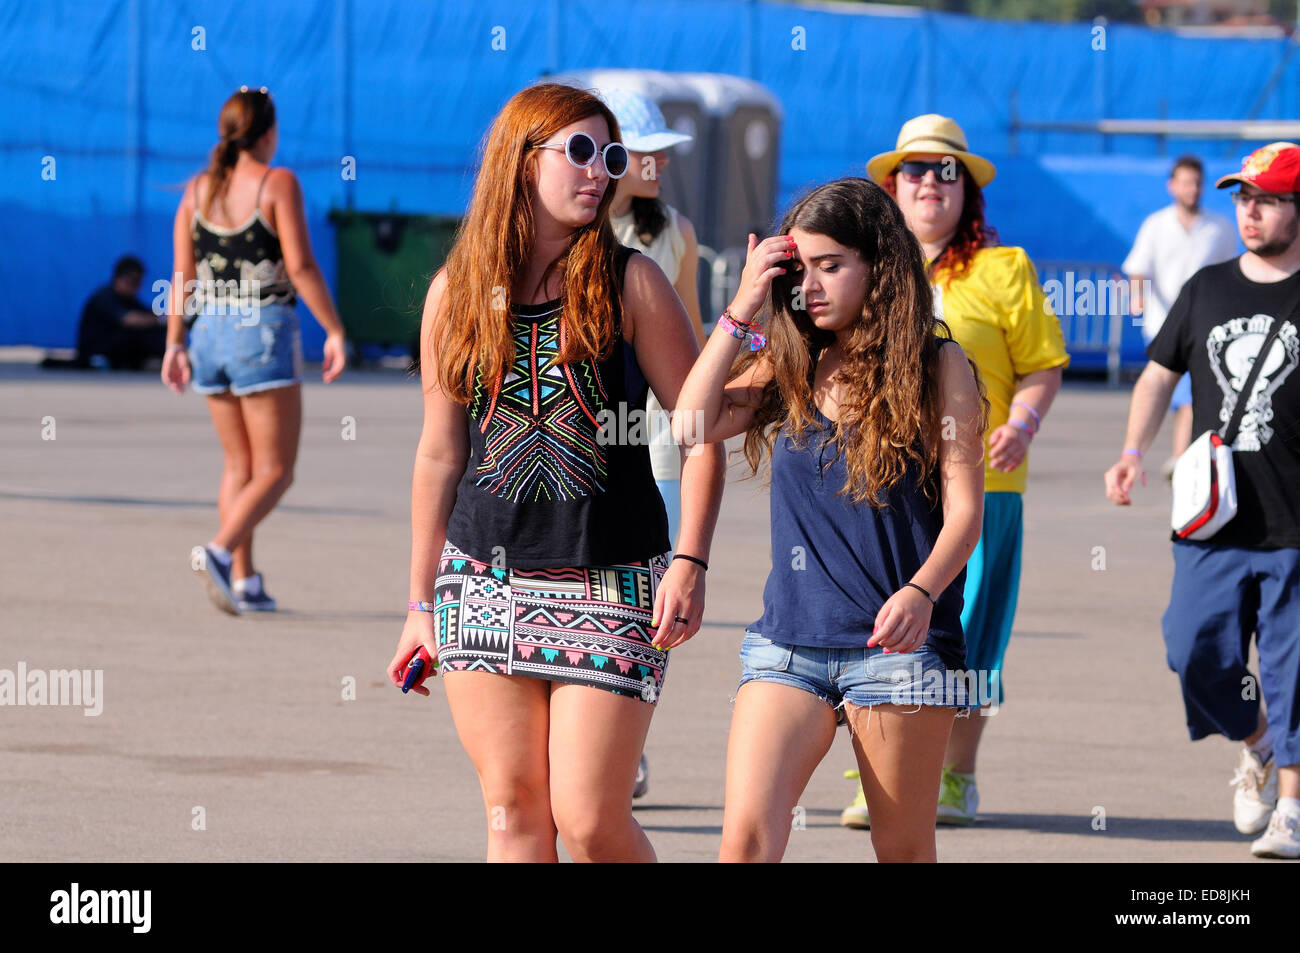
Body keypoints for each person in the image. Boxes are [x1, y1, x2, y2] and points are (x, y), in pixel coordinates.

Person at [386, 83, 725, 862]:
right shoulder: (455, 293)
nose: (600, 173)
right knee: (513, 813)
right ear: (519, 159)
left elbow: (698, 430)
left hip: (610, 582)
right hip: (483, 580)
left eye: (609, 157)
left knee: (589, 818)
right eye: (579, 151)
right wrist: (418, 601)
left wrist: (692, 560)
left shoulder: (632, 280)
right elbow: (440, 451)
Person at [673, 177, 987, 862]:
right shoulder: (792, 363)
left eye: (831, 265)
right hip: (786, 647)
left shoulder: (939, 365)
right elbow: (690, 423)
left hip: (900, 654)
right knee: (745, 842)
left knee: (901, 849)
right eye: (799, 269)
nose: (809, 286)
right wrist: (745, 301)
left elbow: (966, 514)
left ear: (878, 264)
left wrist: (921, 590)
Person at [832, 115, 1068, 828]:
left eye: (947, 171)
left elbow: (1042, 367)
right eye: (916, 170)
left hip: (984, 488)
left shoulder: (1004, 269)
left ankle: (956, 776)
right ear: (891, 187)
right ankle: (880, 776)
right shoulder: (863, 272)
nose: (931, 182)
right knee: (881, 629)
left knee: (967, 635)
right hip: (887, 490)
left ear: (967, 190)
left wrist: (1022, 425)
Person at [1104, 141, 1300, 860]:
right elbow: (1158, 376)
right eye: (1243, 197)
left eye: (1269, 198)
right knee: (1192, 650)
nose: (1250, 210)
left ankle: (1292, 811)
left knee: (1291, 666)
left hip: (1295, 522)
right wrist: (1131, 453)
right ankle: (1259, 742)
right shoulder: (1207, 287)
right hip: (1213, 517)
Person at [160, 86, 348, 614]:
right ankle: (220, 553)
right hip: (260, 330)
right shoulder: (276, 183)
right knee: (275, 470)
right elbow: (302, 266)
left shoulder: (197, 189)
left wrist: (174, 343)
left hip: (208, 335)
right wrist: (333, 329)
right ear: (268, 133)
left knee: (238, 465)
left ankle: (243, 580)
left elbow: (182, 276)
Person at [599, 86, 707, 800]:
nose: (659, 166)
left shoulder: (675, 232)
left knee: (645, 603)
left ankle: (623, 742)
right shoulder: (559, 230)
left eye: (666, 154)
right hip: (584, 443)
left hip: (659, 443)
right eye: (648, 153)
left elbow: (694, 340)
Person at [1123, 155, 1239, 475]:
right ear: (1172, 186)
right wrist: (1137, 298)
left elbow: (1231, 274)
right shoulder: (1156, 225)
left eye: (1197, 183)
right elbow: (1138, 268)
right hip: (1161, 324)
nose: (1192, 189)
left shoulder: (1220, 228)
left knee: (1191, 394)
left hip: (1205, 326)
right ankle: (1136, 455)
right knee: (1166, 390)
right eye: (1186, 182)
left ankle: (1180, 458)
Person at [75, 256, 166, 370]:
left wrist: (168, 319)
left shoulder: (130, 300)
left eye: (138, 282)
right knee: (135, 337)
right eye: (132, 281)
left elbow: (149, 314)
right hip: (96, 351)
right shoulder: (105, 297)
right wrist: (160, 320)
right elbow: (128, 320)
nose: (136, 287)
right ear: (119, 278)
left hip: (117, 350)